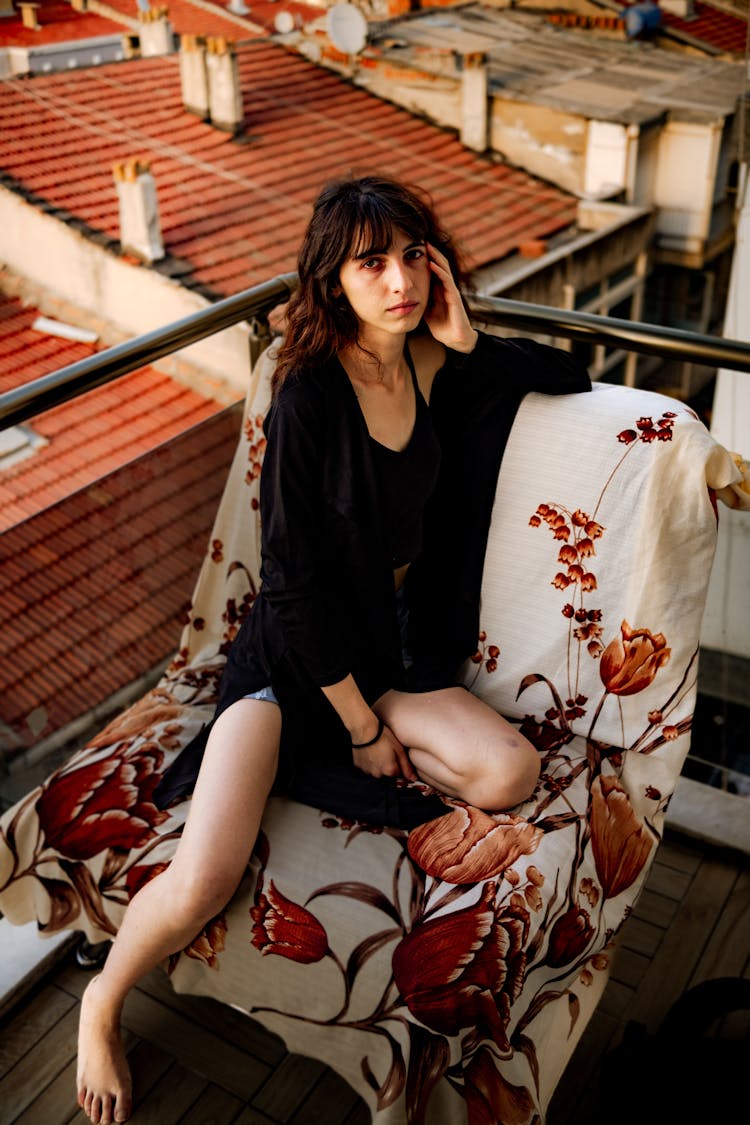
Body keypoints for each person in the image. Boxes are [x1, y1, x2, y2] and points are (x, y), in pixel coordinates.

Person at [76, 174, 590, 1124]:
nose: (395, 279)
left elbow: (568, 377)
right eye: (371, 263)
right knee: (204, 880)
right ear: (334, 280)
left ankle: (329, 758)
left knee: (510, 773)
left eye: (409, 256)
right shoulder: (307, 393)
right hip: (291, 666)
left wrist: (470, 340)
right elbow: (290, 589)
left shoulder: (433, 365)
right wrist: (358, 724)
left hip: (385, 657)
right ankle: (99, 1004)